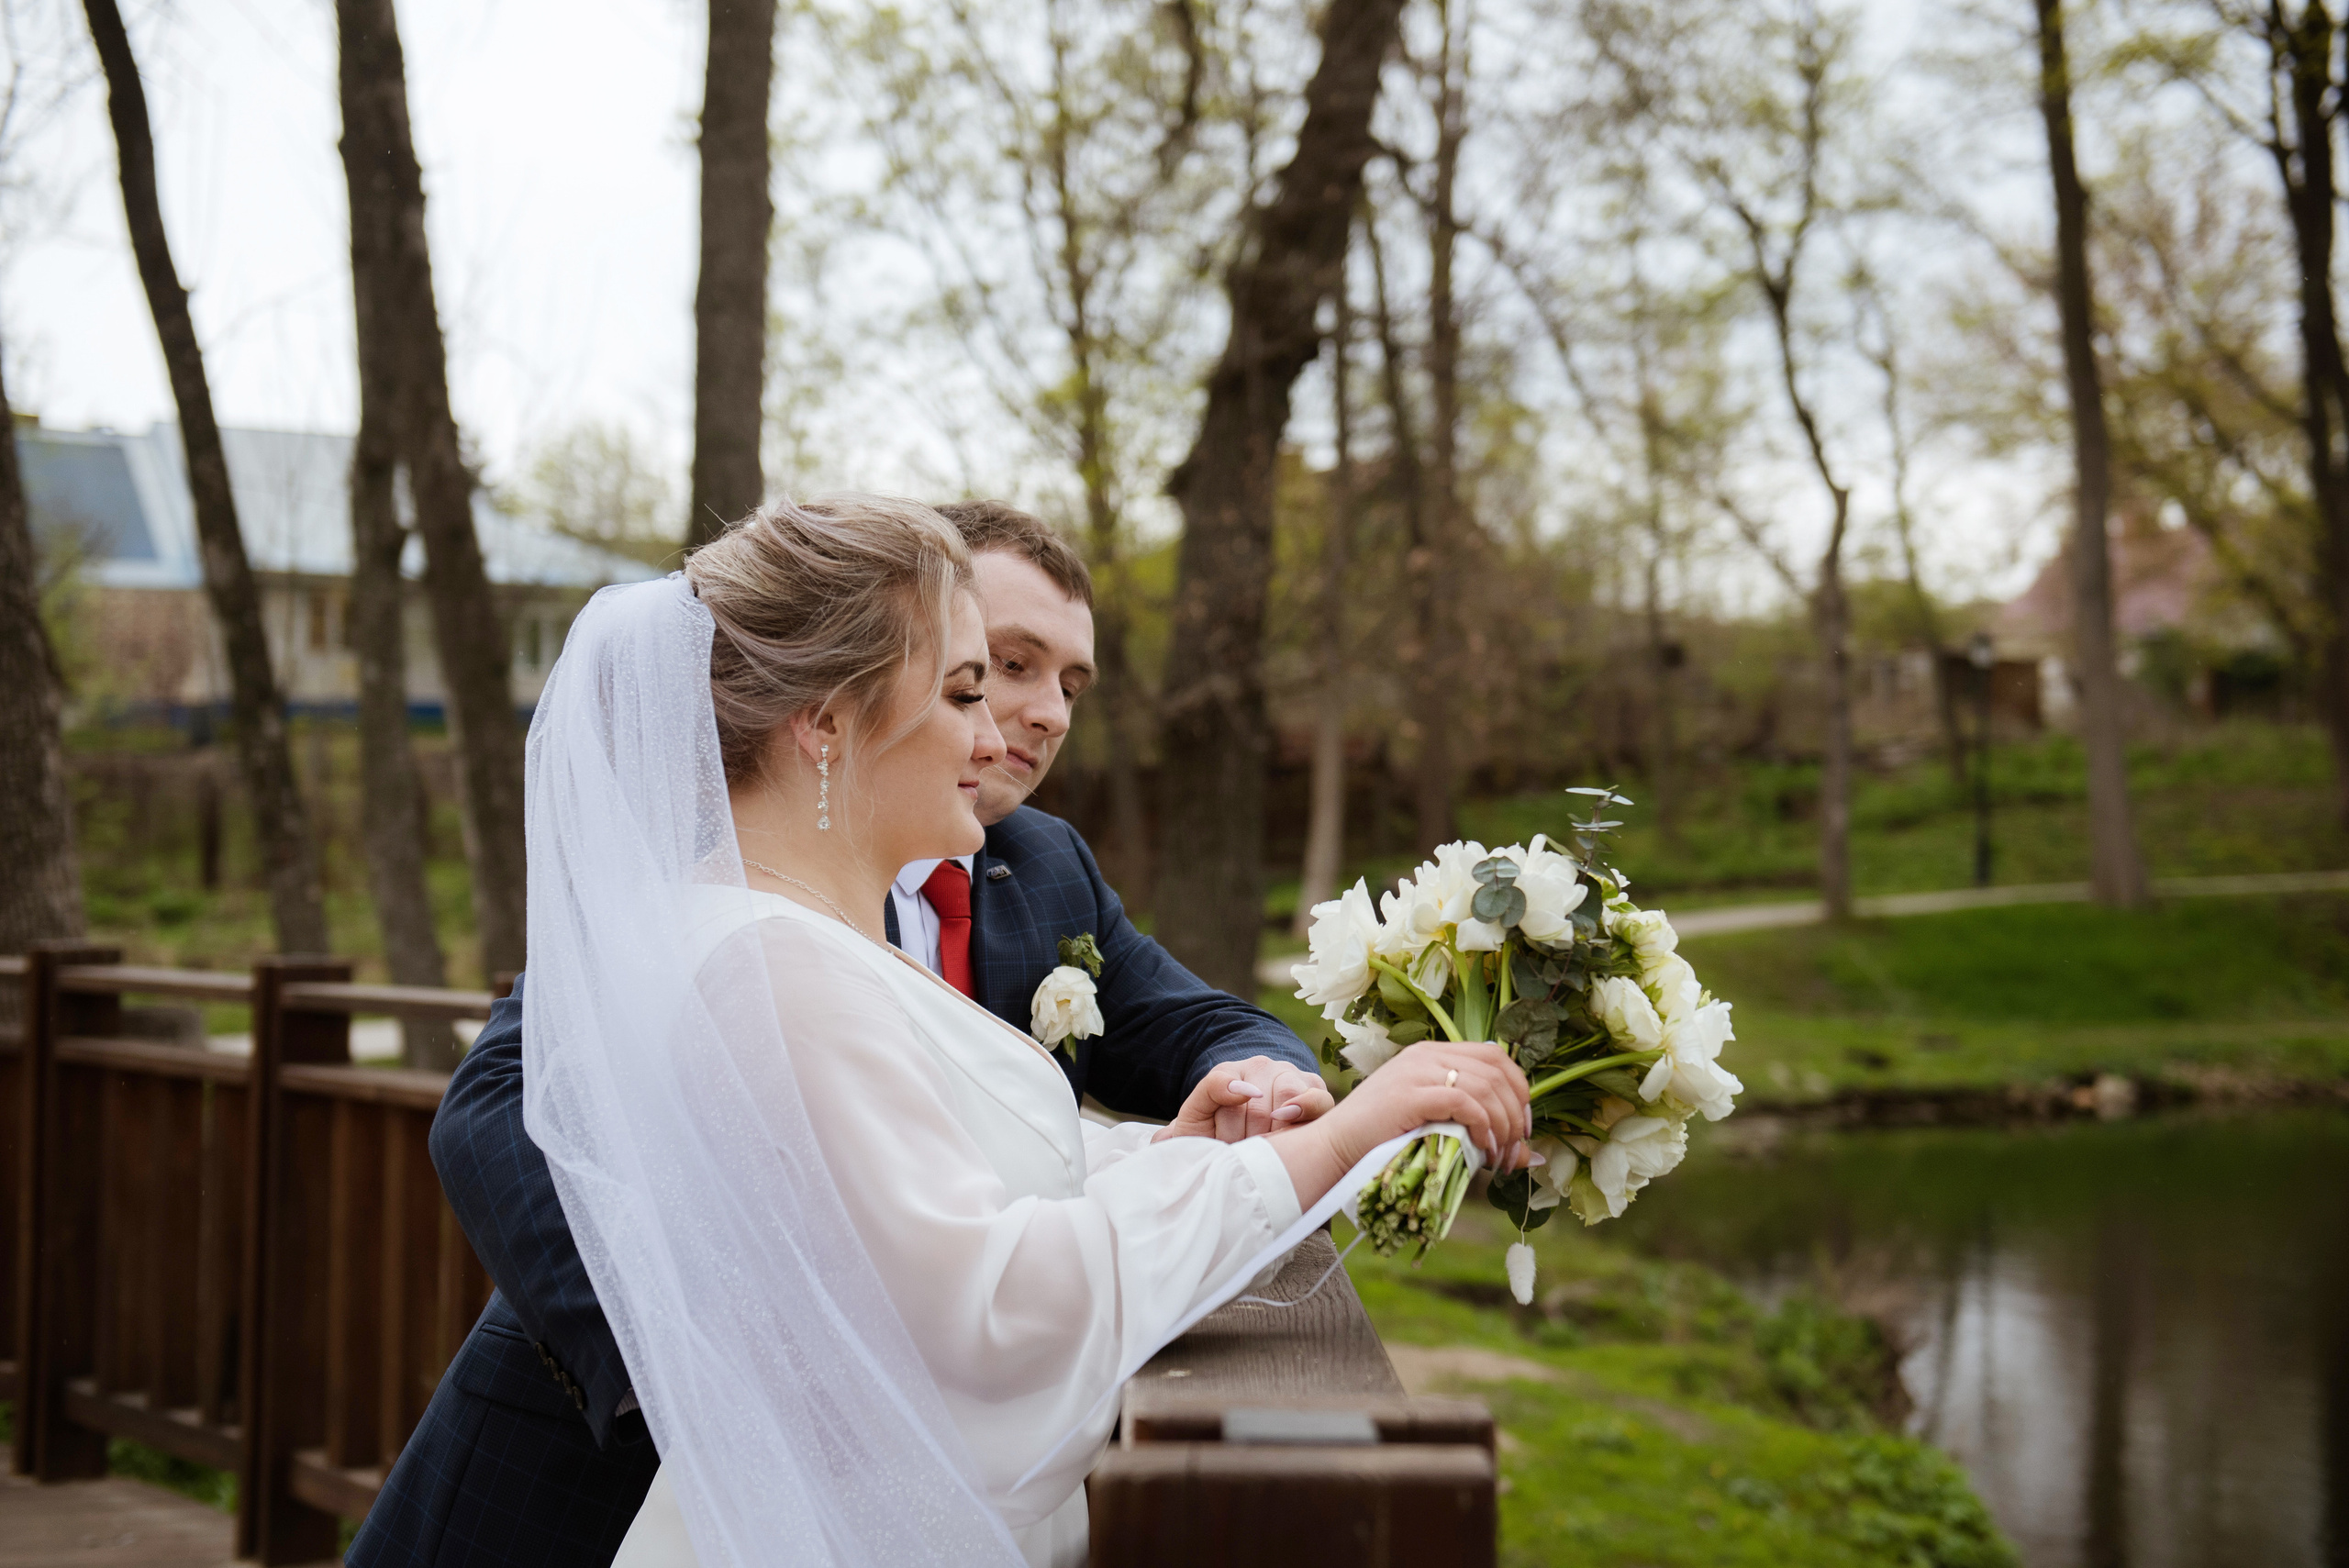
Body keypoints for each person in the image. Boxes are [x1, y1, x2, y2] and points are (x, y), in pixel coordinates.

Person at [355, 497, 1530, 1568]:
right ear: (826, 723)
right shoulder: (765, 967)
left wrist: (1180, 1150)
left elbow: (920, 1209)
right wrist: (1329, 1145)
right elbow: (979, 1318)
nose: (1010, 733)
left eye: (1058, 684)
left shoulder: (828, 929)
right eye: (970, 686)